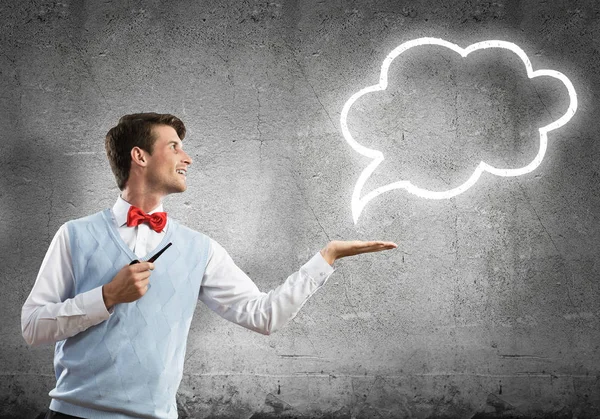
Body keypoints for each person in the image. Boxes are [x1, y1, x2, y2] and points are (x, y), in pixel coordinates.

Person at [21, 113, 397, 419]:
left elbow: (263, 315)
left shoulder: (200, 249)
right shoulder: (74, 235)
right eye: (174, 147)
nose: (188, 158)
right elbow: (32, 327)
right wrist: (105, 297)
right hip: (72, 415)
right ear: (140, 156)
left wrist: (326, 258)